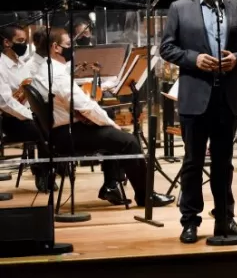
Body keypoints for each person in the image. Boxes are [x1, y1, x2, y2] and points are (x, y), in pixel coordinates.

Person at [160, 0, 237, 244]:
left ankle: (225, 219)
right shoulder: (179, 7)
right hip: (194, 96)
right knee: (192, 162)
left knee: (224, 163)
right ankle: (190, 221)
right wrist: (193, 59)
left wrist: (236, 59)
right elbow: (166, 47)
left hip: (227, 97)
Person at [31, 27, 175, 207]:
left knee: (111, 131)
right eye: (69, 44)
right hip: (67, 135)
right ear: (55, 47)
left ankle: (111, 184)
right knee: (128, 141)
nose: (72, 47)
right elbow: (85, 106)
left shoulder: (45, 69)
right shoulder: (57, 75)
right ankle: (145, 195)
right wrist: (111, 124)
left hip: (58, 133)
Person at [0, 24, 51, 192]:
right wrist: (31, 115)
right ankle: (42, 172)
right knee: (42, 129)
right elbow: (6, 102)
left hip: (29, 115)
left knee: (54, 123)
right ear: (7, 43)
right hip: (9, 121)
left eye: (25, 41)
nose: (23, 45)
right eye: (20, 41)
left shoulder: (23, 64)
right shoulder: (1, 66)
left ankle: (52, 167)